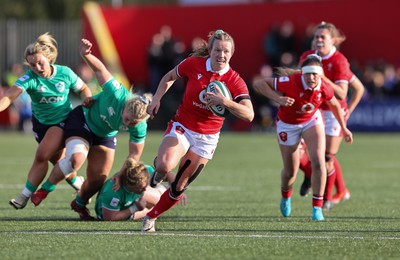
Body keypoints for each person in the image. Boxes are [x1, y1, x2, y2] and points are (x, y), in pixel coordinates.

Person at [141, 29, 254, 232]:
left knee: (179, 187)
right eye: (217, 50)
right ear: (210, 50)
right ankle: (159, 170)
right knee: (165, 166)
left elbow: (249, 115)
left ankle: (151, 217)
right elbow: (169, 76)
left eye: (226, 51)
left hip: (207, 138)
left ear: (232, 54)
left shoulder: (235, 80)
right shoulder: (194, 64)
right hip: (183, 126)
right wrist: (156, 98)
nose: (221, 55)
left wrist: (225, 102)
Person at [30, 38, 152, 220]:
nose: (128, 124)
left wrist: (120, 175)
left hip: (105, 135)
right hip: (84, 121)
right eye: (126, 119)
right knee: (76, 159)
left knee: (98, 179)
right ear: (125, 106)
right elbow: (100, 70)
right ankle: (45, 190)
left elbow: (134, 156)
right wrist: (86, 54)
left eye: (133, 123)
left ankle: (79, 204)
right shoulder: (118, 93)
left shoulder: (140, 125)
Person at [254, 54, 353, 221]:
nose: (312, 78)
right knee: (291, 171)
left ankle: (317, 208)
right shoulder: (290, 82)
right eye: (308, 74)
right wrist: (278, 98)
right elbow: (258, 83)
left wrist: (344, 128)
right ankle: (286, 196)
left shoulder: (324, 86)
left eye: (316, 74)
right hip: (287, 125)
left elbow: (335, 104)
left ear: (320, 75)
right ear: (302, 73)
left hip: (311, 121)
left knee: (319, 161)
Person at [0, 32, 92, 210]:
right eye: (32, 65)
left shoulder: (64, 73)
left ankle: (24, 196)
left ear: (49, 58)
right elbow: (9, 97)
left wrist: (87, 102)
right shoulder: (30, 78)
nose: (37, 68)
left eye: (40, 63)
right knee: (60, 163)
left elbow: (84, 88)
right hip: (40, 125)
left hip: (63, 121)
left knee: (42, 155)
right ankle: (80, 185)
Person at [298, 22, 364, 209]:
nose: (318, 40)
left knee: (326, 157)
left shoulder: (338, 60)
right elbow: (297, 81)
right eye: (316, 37)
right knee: (299, 152)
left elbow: (343, 93)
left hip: (332, 113)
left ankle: (325, 199)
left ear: (333, 40)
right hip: (312, 110)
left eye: (322, 37)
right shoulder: (307, 57)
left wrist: (347, 111)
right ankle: (312, 176)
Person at [95, 158, 187, 221]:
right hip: (112, 212)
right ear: (128, 185)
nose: (144, 189)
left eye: (145, 186)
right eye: (140, 188)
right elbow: (110, 217)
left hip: (134, 199)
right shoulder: (113, 191)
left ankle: (160, 190)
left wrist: (177, 189)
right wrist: (135, 208)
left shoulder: (141, 170)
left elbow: (168, 174)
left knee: (164, 198)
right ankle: (144, 209)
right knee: (151, 210)